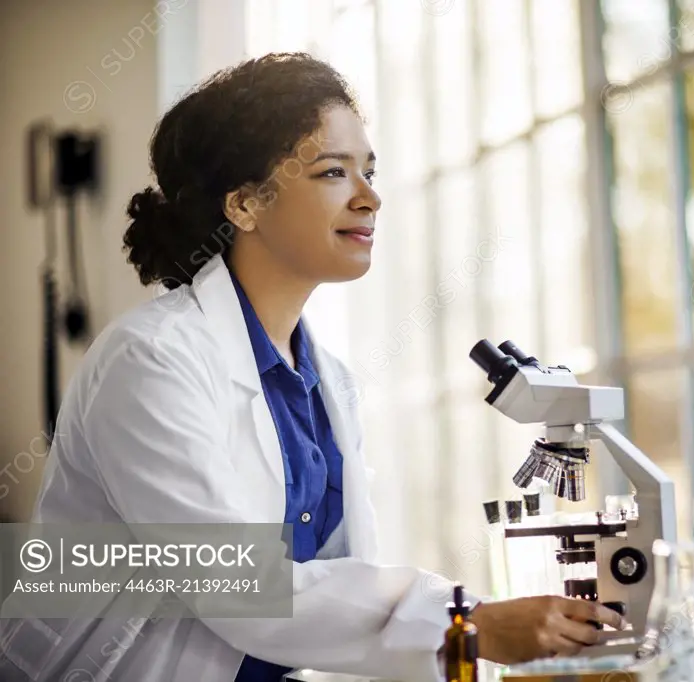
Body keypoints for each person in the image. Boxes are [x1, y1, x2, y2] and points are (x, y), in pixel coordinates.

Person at [0, 53, 625, 682]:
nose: (370, 197)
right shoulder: (150, 360)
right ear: (244, 205)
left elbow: (333, 586)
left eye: (370, 171)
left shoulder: (324, 377)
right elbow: (234, 584)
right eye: (333, 172)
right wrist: (469, 623)